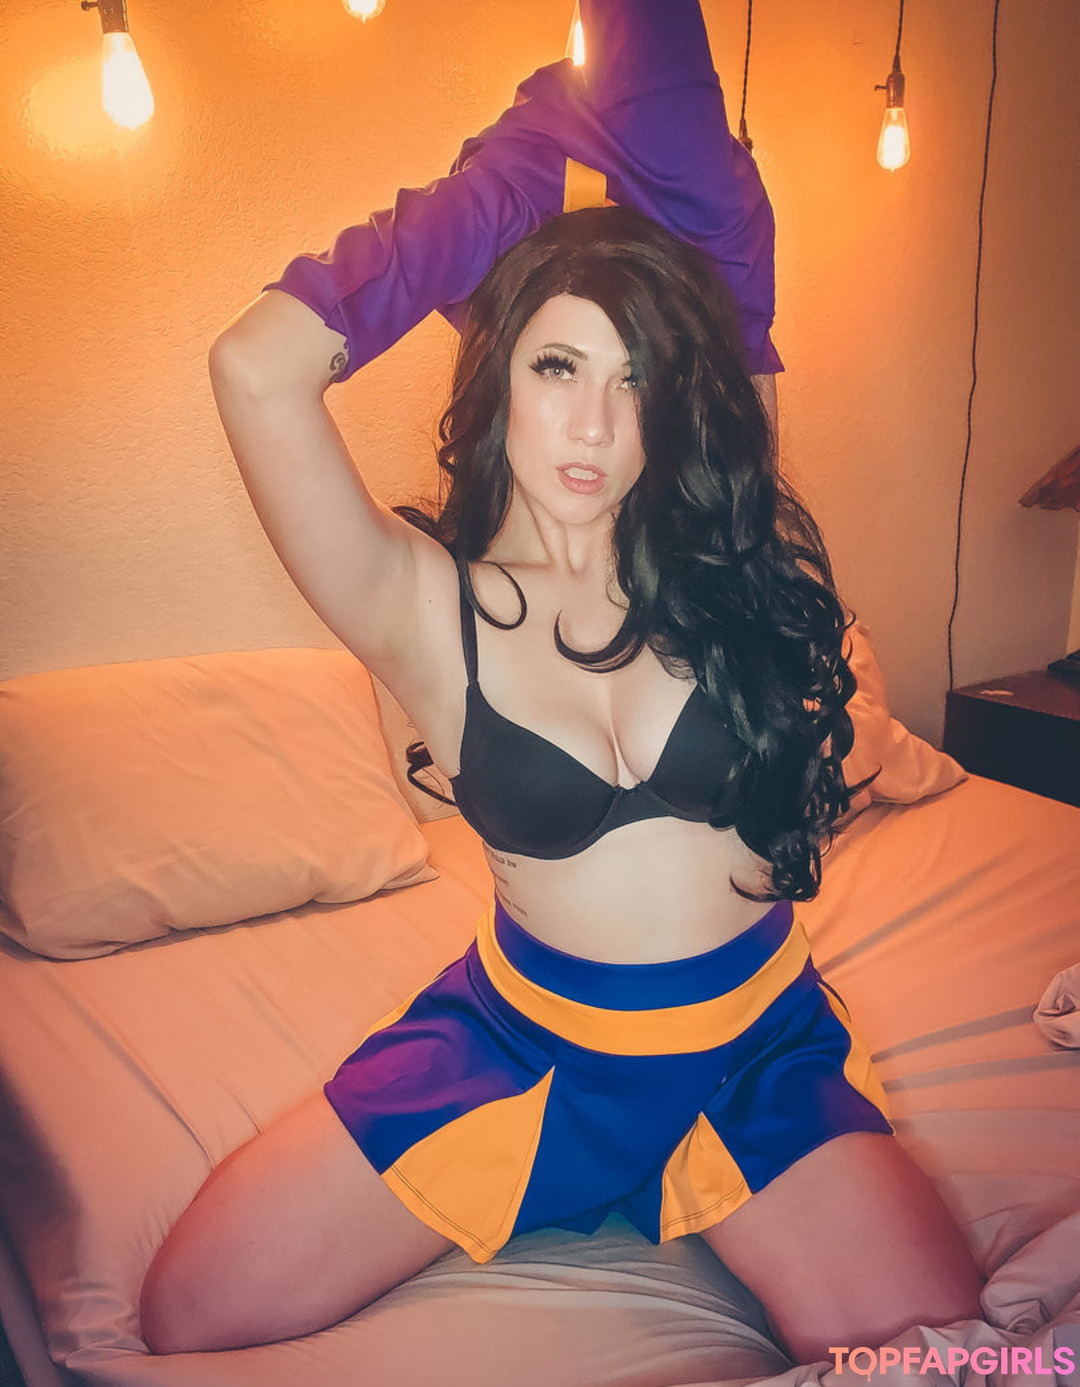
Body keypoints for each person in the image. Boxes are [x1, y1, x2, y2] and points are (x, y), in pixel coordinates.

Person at [139, 2, 985, 1367]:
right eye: (557, 366)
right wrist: (507, 187)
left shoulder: (724, 550)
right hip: (522, 1047)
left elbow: (674, 101)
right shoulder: (420, 606)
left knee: (966, 1356)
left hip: (753, 1051)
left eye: (634, 379)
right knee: (184, 1310)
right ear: (501, 378)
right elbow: (254, 368)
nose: (594, 422)